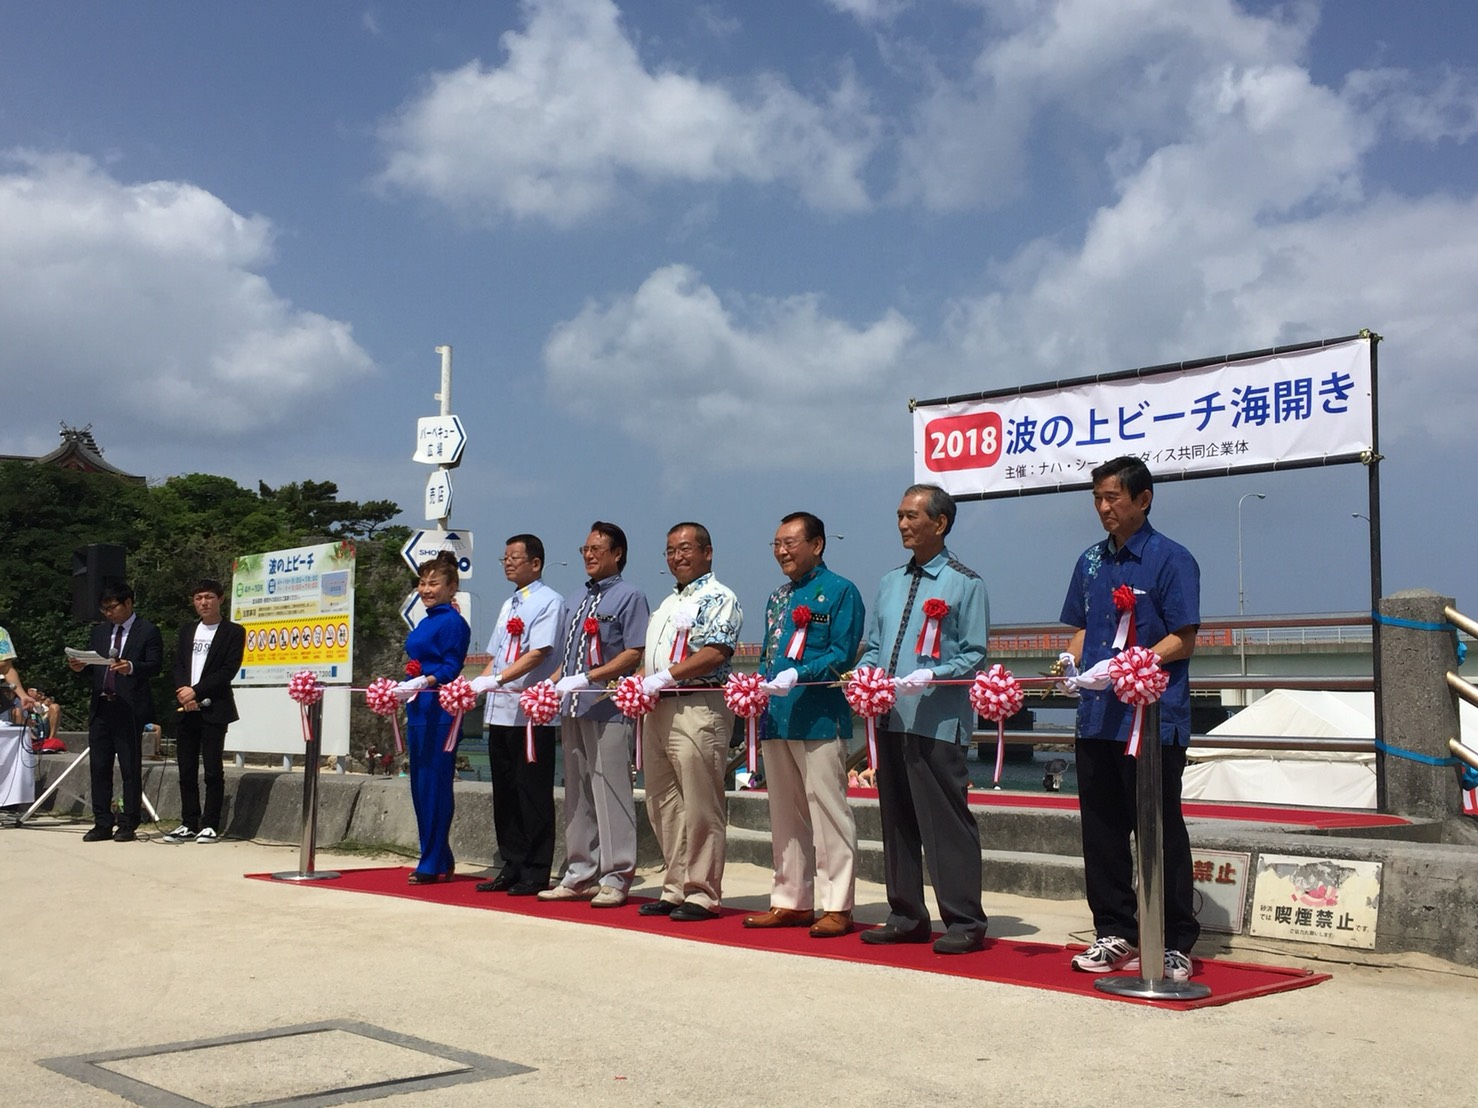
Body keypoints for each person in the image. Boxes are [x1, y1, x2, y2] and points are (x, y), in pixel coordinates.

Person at [1060, 456, 1201, 982]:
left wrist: (1137, 663)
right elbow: (1079, 628)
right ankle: (1113, 931)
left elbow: (1183, 637)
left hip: (1150, 718)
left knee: (1160, 827)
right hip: (1096, 717)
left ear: (1143, 500)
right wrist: (1073, 665)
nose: (1104, 508)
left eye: (1113, 498)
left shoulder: (1171, 559)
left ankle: (1171, 938)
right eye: (1097, 498)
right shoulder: (1090, 562)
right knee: (1100, 829)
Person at [856, 484, 990, 954]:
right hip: (890, 718)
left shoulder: (965, 582)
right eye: (899, 516)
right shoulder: (890, 581)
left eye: (912, 516)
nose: (903, 525)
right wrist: (866, 674)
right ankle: (906, 913)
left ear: (941, 522)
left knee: (946, 822)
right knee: (896, 819)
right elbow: (874, 644)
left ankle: (965, 920)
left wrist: (934, 673)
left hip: (936, 721)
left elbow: (974, 653)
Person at [743, 511, 864, 939]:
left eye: (790, 542)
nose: (782, 551)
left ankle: (837, 905)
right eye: (776, 543)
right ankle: (791, 899)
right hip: (778, 717)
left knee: (828, 811)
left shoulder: (841, 592)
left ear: (817, 545)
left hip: (818, 716)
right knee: (784, 813)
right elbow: (767, 655)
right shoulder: (777, 597)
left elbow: (841, 652)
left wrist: (801, 674)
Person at [637, 522, 743, 922]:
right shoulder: (666, 604)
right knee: (662, 801)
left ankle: (703, 891)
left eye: (684, 549)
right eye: (670, 551)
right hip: (658, 707)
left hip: (698, 704)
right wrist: (645, 679)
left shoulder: (721, 597)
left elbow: (717, 650)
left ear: (707, 552)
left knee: (701, 802)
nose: (676, 557)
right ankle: (675, 885)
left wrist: (668, 675)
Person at [542, 522, 650, 908]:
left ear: (617, 553)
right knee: (577, 793)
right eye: (584, 549)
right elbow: (565, 659)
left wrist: (589, 677)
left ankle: (617, 874)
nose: (588, 555)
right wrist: (550, 685)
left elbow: (633, 652)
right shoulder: (574, 599)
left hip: (608, 707)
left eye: (596, 549)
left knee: (610, 791)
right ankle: (579, 872)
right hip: (573, 708)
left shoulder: (630, 596)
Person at [472, 535, 564, 896]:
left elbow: (539, 652)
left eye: (514, 557)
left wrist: (496, 680)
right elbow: (496, 654)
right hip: (500, 711)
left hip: (530, 714)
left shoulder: (549, 602)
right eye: (504, 557)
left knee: (533, 792)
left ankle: (537, 868)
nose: (508, 563)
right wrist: (476, 687)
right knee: (505, 791)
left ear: (536, 563)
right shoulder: (509, 603)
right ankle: (511, 863)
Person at [391, 552, 472, 883]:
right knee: (420, 784)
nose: (426, 589)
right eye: (422, 582)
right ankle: (438, 854)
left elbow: (452, 666)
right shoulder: (425, 621)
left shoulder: (453, 623)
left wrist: (426, 679)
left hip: (440, 706)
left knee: (437, 784)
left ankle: (432, 858)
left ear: (451, 587)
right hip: (419, 705)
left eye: (433, 583)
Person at [68, 583, 163, 842]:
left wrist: (130, 667)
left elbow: (155, 665)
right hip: (102, 707)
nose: (109, 613)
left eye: (113, 607)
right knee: (99, 767)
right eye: (104, 609)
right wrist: (80, 666)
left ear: (129, 603)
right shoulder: (100, 632)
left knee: (130, 767)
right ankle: (101, 822)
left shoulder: (148, 630)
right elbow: (95, 668)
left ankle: (128, 822)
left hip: (129, 708)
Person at [164, 579, 246, 844]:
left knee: (212, 769)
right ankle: (189, 821)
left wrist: (196, 691)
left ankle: (210, 823)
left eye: (209, 597)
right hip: (185, 707)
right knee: (186, 768)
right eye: (198, 598)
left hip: (214, 708)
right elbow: (177, 664)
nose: (203, 603)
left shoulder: (233, 632)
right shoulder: (188, 630)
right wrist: (182, 691)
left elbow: (227, 671)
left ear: (220, 599)